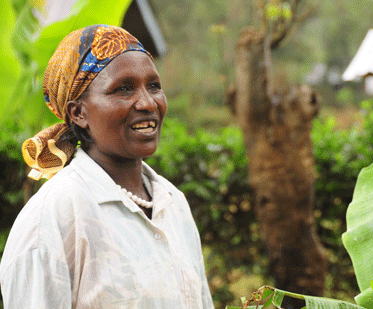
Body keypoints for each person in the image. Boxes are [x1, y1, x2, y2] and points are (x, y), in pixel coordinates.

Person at [0, 24, 214, 309]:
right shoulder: (52, 218)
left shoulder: (173, 204)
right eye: (123, 88)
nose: (148, 102)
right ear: (78, 113)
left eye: (154, 86)